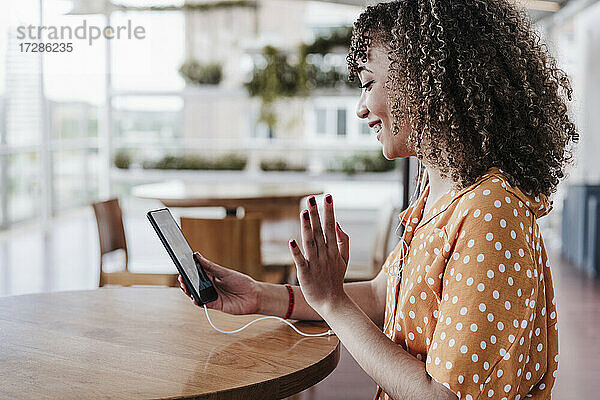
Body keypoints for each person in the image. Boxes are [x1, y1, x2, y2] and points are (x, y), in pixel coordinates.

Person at [179, 1, 577, 399]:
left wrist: (334, 301)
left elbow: (441, 396)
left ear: (425, 81)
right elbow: (381, 295)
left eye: (369, 83)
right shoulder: (440, 195)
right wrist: (259, 296)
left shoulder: (490, 214)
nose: (361, 108)